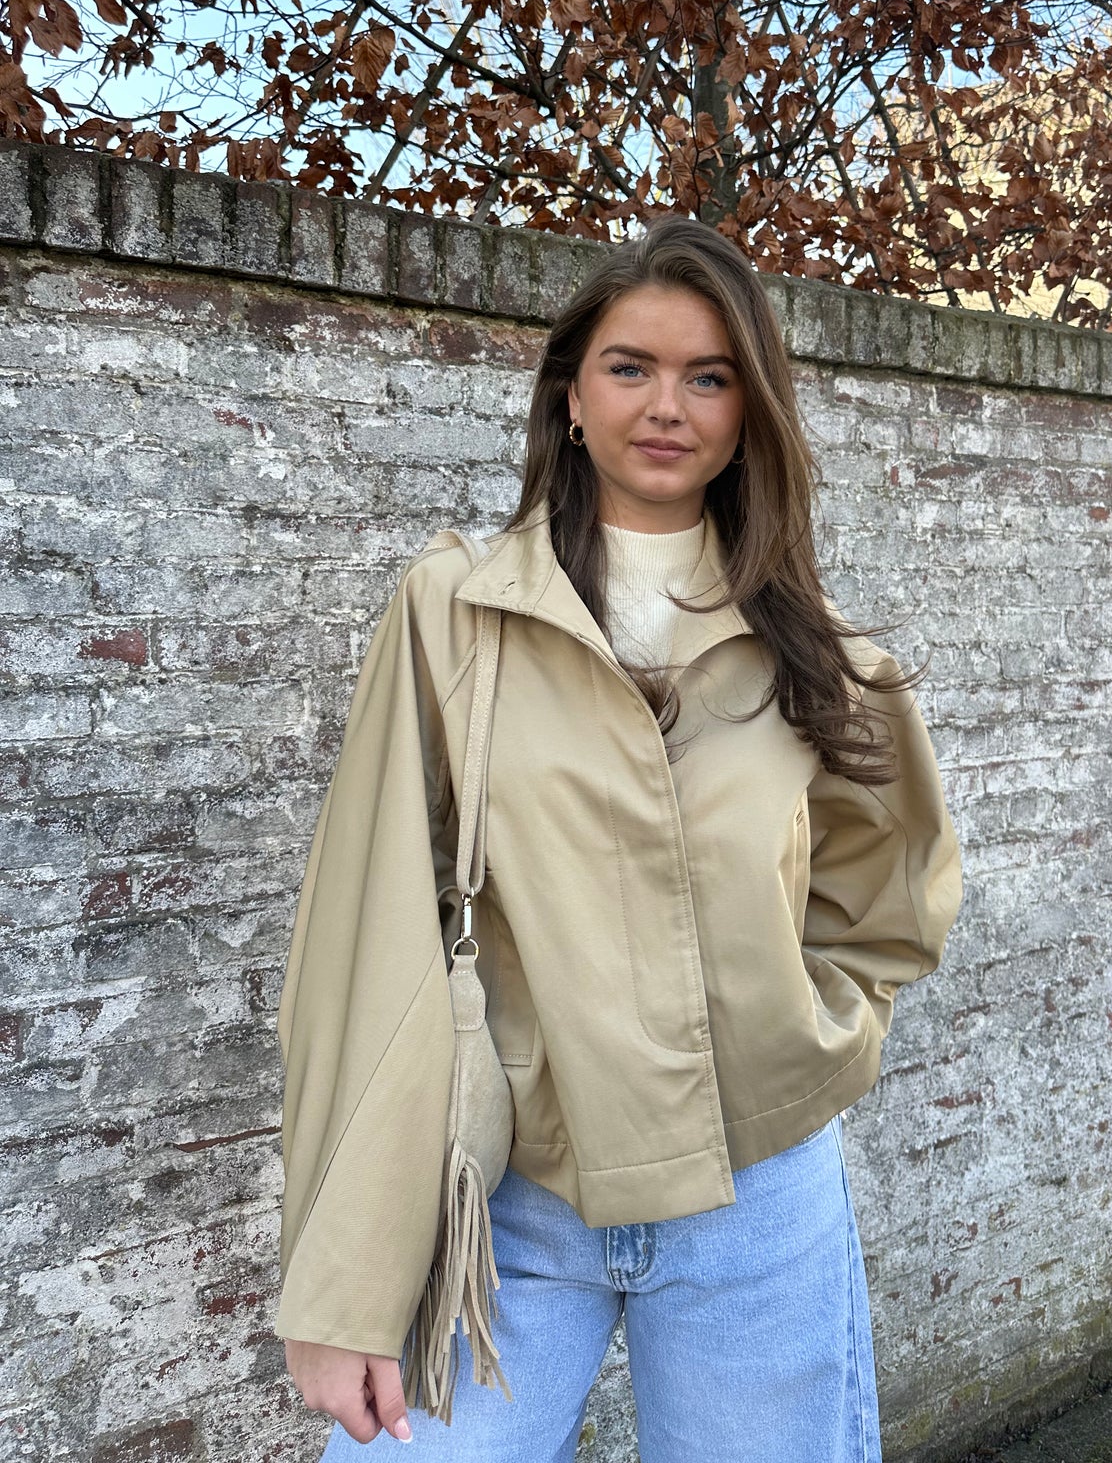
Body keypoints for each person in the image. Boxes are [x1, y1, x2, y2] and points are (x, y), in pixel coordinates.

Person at [273, 213, 963, 1460]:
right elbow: (362, 944)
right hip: (512, 1200)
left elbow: (890, 896)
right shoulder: (456, 613)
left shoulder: (822, 656)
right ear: (572, 397)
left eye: (710, 377)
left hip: (760, 1200)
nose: (666, 406)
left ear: (749, 412)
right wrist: (341, 1290)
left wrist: (808, 1036)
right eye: (630, 366)